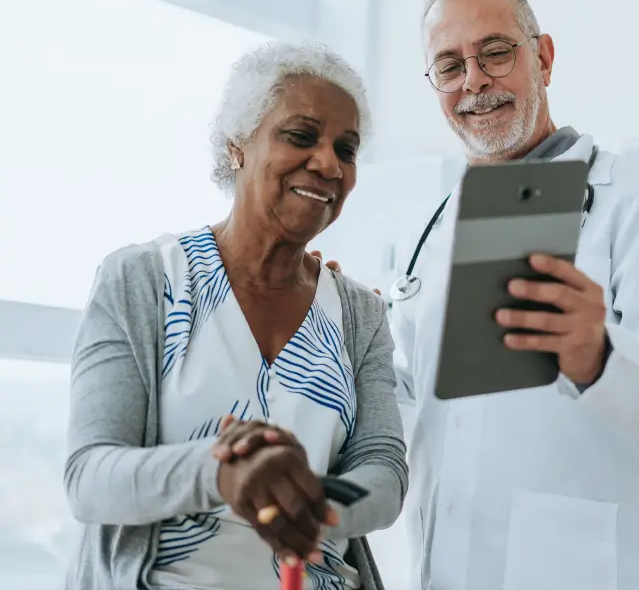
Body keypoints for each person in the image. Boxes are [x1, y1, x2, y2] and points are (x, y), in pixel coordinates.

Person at [323, 0, 639, 590]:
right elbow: (428, 409)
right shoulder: (430, 227)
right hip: (450, 560)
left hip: (587, 565)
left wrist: (597, 355)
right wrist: (357, 358)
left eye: (495, 52)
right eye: (449, 66)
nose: (474, 82)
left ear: (542, 57)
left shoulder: (638, 201)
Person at [63, 41, 408, 590]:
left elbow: (384, 469)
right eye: (300, 136)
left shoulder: (359, 313)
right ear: (237, 147)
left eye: (347, 149)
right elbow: (90, 478)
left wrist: (307, 503)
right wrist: (223, 472)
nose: (328, 164)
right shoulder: (144, 281)